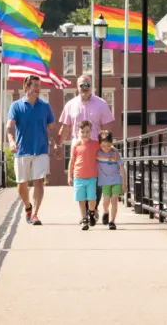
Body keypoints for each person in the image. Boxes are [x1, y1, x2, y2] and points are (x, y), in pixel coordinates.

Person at [59, 74, 114, 218]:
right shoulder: (70, 104)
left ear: (92, 86)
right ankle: (85, 214)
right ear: (77, 87)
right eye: (82, 85)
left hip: (96, 148)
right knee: (80, 181)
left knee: (98, 179)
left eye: (87, 85)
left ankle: (93, 208)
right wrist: (58, 145)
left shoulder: (101, 103)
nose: (85, 88)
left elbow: (107, 127)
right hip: (78, 148)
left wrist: (108, 146)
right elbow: (65, 127)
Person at [7, 74, 60, 226]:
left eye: (39, 85)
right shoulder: (16, 106)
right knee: (21, 184)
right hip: (22, 149)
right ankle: (27, 206)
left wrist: (55, 144)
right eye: (35, 86)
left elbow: (51, 128)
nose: (38, 88)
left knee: (39, 182)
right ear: (27, 87)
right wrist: (11, 141)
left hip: (41, 149)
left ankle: (35, 214)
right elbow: (9, 126)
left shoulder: (45, 107)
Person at [68, 120, 99, 231]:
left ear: (91, 132)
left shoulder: (96, 144)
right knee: (81, 199)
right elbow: (72, 161)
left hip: (91, 177)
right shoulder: (76, 146)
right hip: (78, 176)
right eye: (82, 132)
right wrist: (69, 176)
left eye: (87, 132)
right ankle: (84, 218)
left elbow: (106, 148)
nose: (85, 134)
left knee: (91, 199)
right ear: (78, 132)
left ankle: (91, 213)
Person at [97, 130, 127, 230]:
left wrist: (124, 183)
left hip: (116, 180)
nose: (106, 148)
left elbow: (122, 168)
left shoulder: (115, 154)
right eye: (103, 146)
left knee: (114, 200)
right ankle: (106, 212)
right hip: (105, 182)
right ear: (100, 145)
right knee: (106, 202)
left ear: (112, 144)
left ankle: (112, 221)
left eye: (109, 146)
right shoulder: (98, 153)